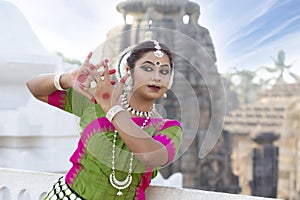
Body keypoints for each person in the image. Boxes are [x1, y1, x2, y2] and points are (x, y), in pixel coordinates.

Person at [26, 38, 182, 199]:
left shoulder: (168, 128)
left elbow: (151, 156)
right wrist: (66, 79)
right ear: (129, 71)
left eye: (164, 71)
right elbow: (35, 88)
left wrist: (112, 109)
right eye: (148, 68)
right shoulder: (95, 101)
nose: (156, 77)